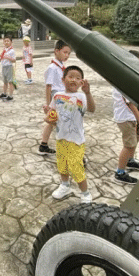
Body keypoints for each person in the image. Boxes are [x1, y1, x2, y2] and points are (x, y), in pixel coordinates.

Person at [45, 65, 95, 203]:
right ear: (63, 79)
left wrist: (88, 93)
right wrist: (47, 115)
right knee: (62, 164)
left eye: (78, 78)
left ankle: (85, 193)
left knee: (76, 167)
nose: (74, 80)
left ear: (81, 82)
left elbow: (91, 109)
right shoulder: (57, 96)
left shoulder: (82, 97)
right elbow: (52, 116)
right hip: (61, 138)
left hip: (76, 141)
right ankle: (65, 185)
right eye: (70, 76)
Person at [112, 50, 139, 185]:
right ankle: (120, 172)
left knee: (136, 138)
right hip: (126, 118)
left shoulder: (129, 78)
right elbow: (131, 105)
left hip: (130, 117)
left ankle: (130, 160)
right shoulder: (124, 81)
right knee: (129, 145)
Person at [39, 40, 71, 155]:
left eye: (68, 53)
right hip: (57, 99)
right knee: (63, 124)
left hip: (62, 98)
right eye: (65, 52)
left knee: (52, 122)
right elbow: (48, 86)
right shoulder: (53, 67)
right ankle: (68, 151)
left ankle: (43, 145)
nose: (66, 55)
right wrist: (49, 105)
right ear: (56, 51)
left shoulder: (61, 66)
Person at [0, 36, 16, 101]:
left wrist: (8, 58)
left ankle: (10, 95)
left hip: (9, 67)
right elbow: (2, 57)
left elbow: (14, 60)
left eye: (8, 41)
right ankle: (4, 93)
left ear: (11, 42)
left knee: (10, 82)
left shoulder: (12, 51)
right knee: (5, 81)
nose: (6, 42)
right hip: (4, 66)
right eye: (5, 41)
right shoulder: (4, 50)